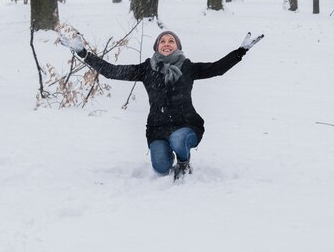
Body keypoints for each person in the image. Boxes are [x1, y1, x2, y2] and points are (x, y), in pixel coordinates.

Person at [59, 30, 263, 179]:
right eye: (162, 41)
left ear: (177, 47)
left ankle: (184, 162)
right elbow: (111, 71)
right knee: (161, 167)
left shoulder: (188, 67)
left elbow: (218, 68)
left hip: (187, 125)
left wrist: (241, 51)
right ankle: (168, 156)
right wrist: (83, 53)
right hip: (157, 128)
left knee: (178, 139)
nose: (167, 43)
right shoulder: (146, 69)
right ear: (156, 47)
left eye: (171, 41)